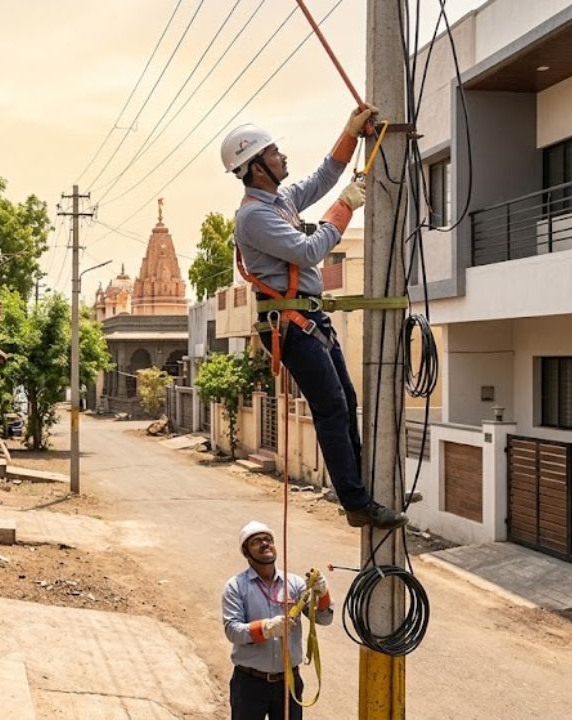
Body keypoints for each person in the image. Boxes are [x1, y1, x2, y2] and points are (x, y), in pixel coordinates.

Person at [220, 106, 408, 530]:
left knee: (346, 402)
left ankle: (363, 490)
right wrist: (344, 208)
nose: (282, 157)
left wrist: (350, 134)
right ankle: (356, 503)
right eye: (274, 153)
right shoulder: (254, 216)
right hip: (289, 325)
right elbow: (309, 251)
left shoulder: (280, 200)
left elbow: (323, 177)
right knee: (331, 408)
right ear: (255, 168)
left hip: (308, 320)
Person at [222, 521, 331, 719]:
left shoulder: (295, 583)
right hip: (249, 683)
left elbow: (324, 618)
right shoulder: (236, 587)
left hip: (287, 683)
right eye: (256, 541)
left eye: (268, 539)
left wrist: (322, 593)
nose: (265, 544)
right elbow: (232, 630)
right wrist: (266, 628)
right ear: (246, 553)